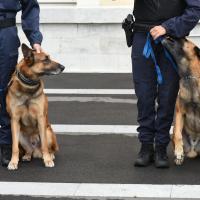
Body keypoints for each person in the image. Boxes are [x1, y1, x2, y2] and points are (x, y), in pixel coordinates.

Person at [132, 0, 200, 168]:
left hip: (171, 40)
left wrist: (168, 27)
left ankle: (161, 146)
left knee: (168, 96)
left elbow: (195, 9)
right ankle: (146, 146)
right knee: (144, 94)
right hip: (143, 34)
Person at [0, 0, 43, 167]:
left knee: (5, 90)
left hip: (5, 33)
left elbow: (30, 6)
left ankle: (5, 144)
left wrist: (35, 39)